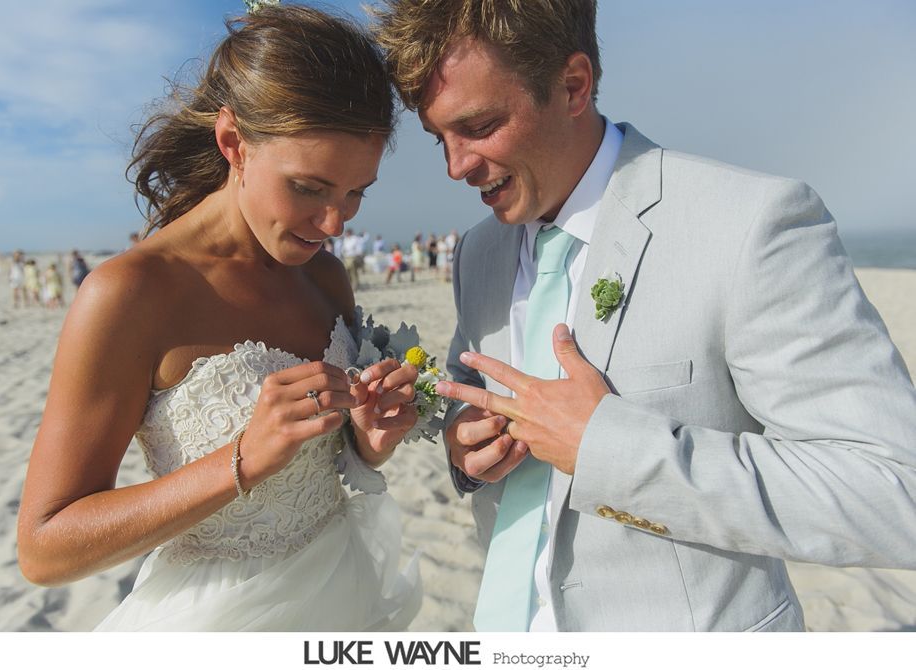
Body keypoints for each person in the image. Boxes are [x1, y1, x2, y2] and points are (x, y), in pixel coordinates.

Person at [372, 0, 916, 632]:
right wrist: (464, 453)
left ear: (574, 85)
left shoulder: (750, 225)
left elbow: (894, 493)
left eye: (481, 125)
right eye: (440, 138)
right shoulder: (476, 254)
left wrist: (609, 450)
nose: (455, 166)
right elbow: (477, 428)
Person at [18, 5, 421, 632]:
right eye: (309, 189)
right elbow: (44, 548)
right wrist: (240, 459)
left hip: (344, 591)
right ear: (234, 143)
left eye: (355, 193)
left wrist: (367, 443)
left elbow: (326, 465)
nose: (336, 224)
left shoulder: (325, 277)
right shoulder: (130, 293)